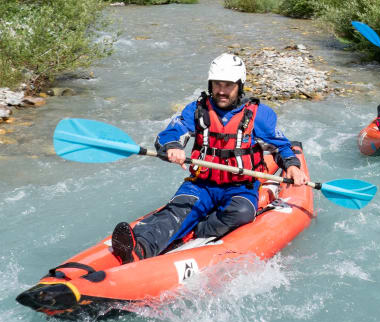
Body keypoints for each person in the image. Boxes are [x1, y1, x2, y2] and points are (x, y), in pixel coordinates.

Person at [110, 53, 309, 264]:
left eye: (228, 85)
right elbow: (171, 132)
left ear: (239, 85)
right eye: (217, 84)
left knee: (241, 213)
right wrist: (173, 147)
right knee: (177, 211)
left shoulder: (259, 114)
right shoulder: (197, 109)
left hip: (240, 186)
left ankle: (195, 229)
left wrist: (292, 165)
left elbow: (280, 145)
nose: (221, 91)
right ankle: (139, 249)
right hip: (201, 184)